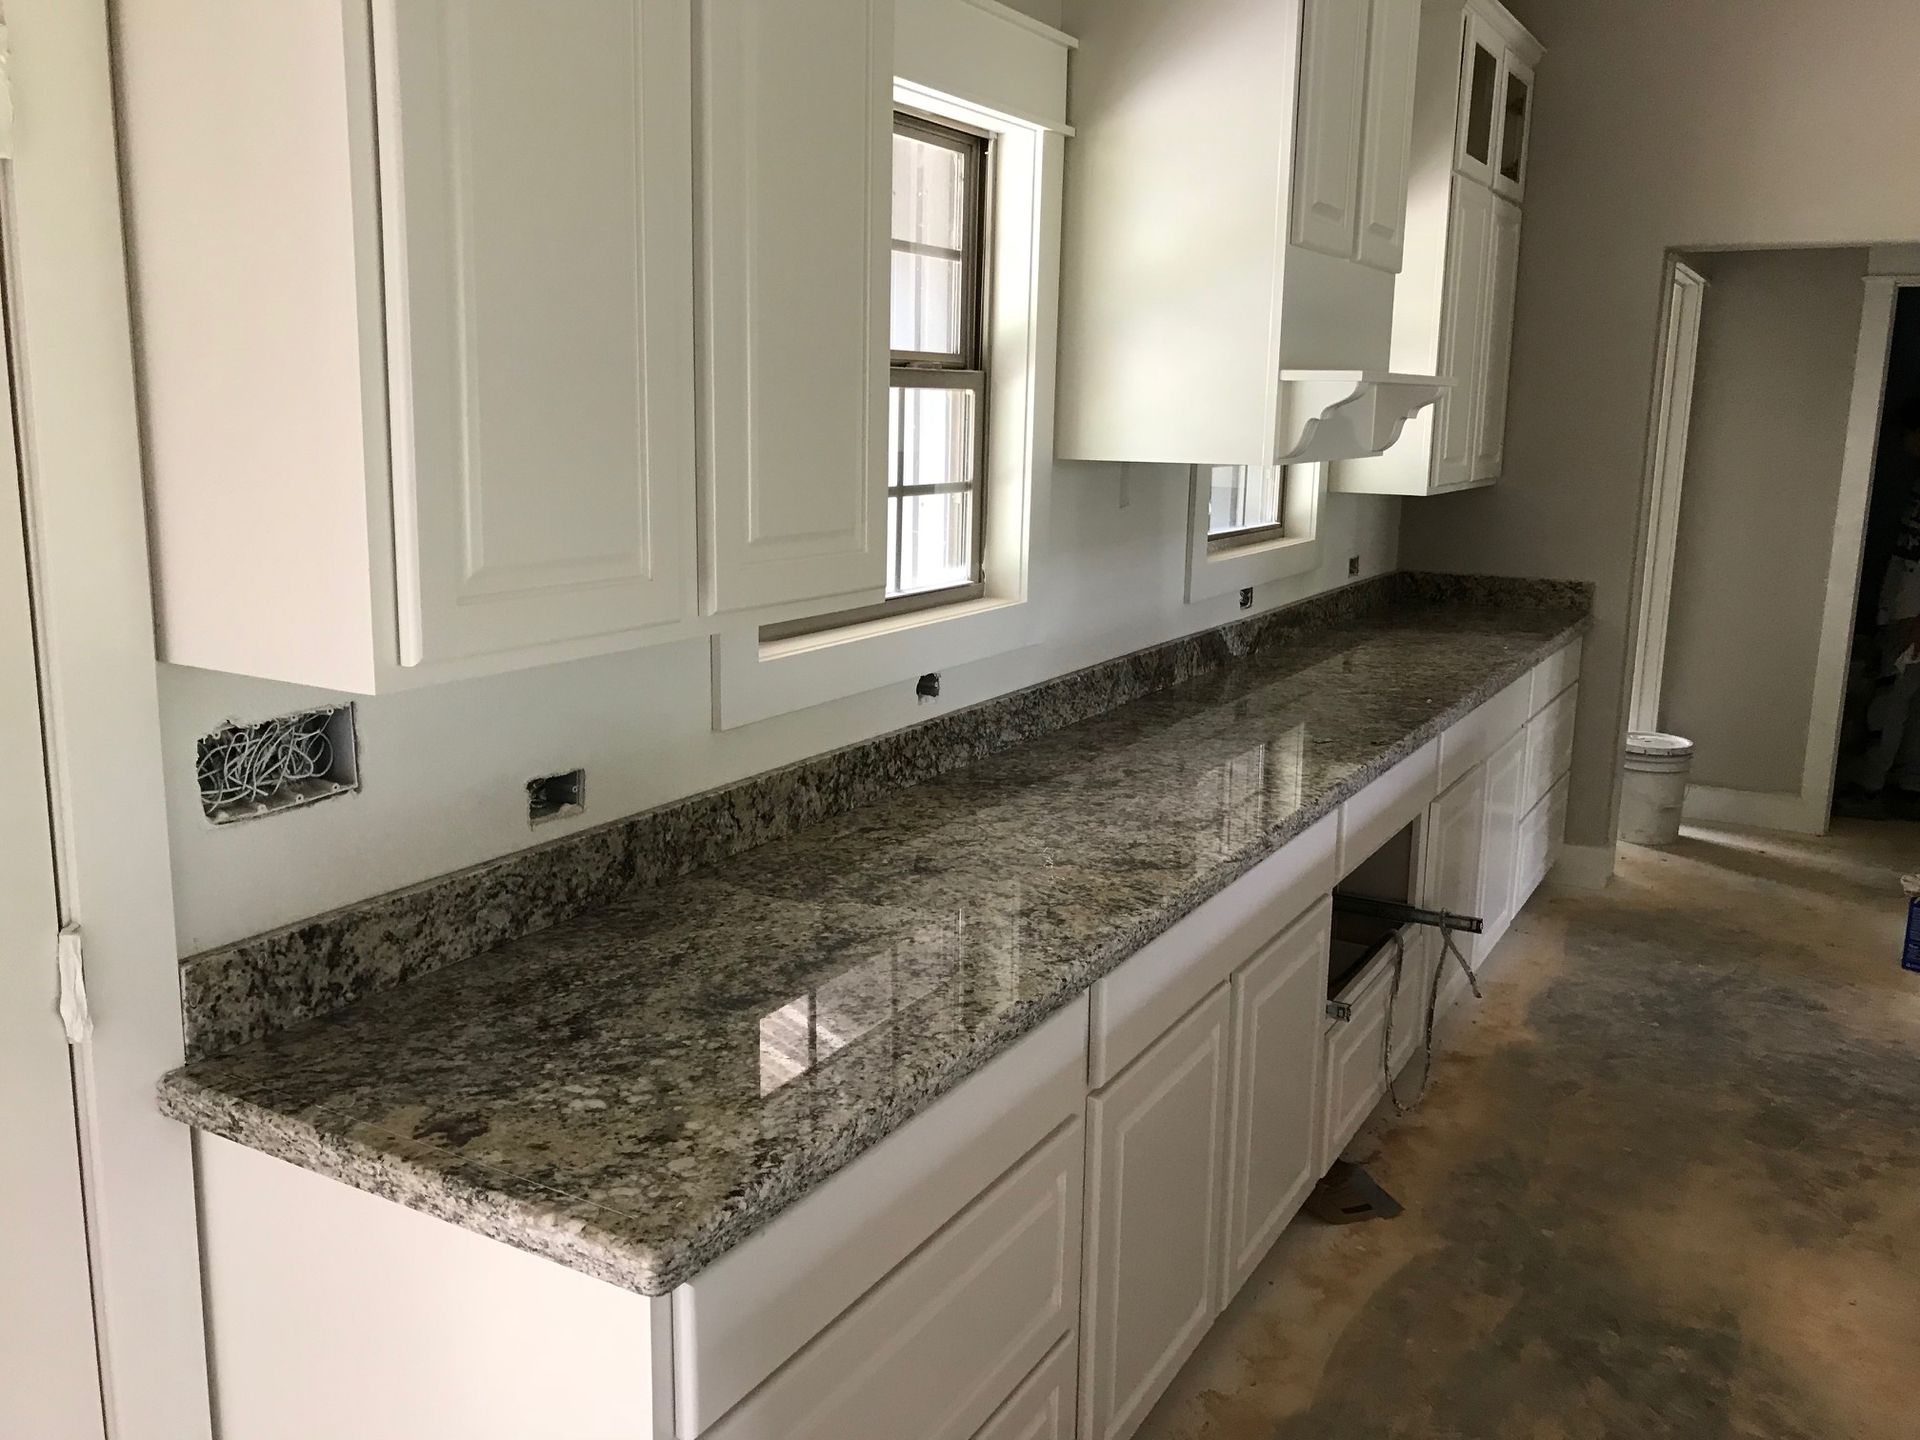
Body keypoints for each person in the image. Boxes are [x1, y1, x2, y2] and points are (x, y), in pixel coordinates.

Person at [1848, 394, 1920, 809]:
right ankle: (1902, 785)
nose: (1905, 444)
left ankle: (1873, 785)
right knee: (1902, 698)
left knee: (1893, 699)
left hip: (1912, 614)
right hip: (1901, 607)